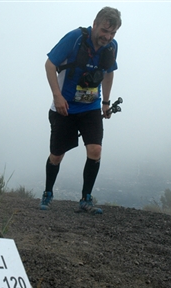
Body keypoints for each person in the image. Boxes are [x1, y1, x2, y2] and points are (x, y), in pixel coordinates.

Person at [40, 7, 121, 214]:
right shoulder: (75, 38)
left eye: (112, 33)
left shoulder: (111, 47)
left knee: (95, 150)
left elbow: (109, 73)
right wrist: (57, 96)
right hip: (64, 107)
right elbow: (49, 65)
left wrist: (105, 103)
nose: (108, 36)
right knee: (57, 155)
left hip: (91, 107)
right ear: (95, 24)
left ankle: (86, 199)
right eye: (105, 30)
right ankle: (48, 193)